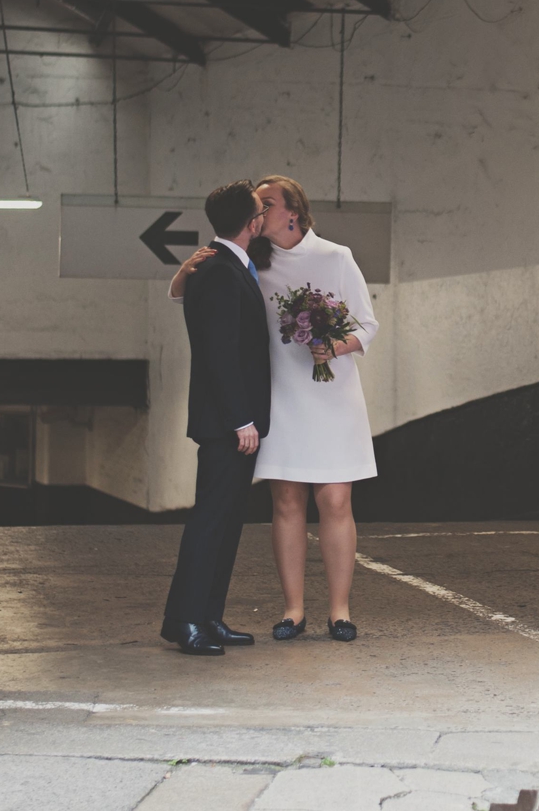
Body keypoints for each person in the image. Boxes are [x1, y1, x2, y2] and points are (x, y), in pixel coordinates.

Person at [170, 176, 379, 643]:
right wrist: (186, 270)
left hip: (332, 397)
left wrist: (335, 347)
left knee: (336, 500)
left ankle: (340, 612)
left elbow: (368, 325)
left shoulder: (336, 257)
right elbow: (194, 298)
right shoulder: (249, 265)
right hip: (279, 397)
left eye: (268, 203)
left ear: (294, 212)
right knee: (285, 502)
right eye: (256, 205)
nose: (260, 212)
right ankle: (293, 611)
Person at [159, 180, 269, 657]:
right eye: (262, 210)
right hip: (228, 422)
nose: (264, 217)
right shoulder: (222, 271)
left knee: (225, 522)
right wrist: (241, 419)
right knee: (210, 522)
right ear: (252, 223)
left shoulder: (220, 265)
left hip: (231, 420)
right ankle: (184, 621)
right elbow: (220, 354)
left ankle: (208, 616)